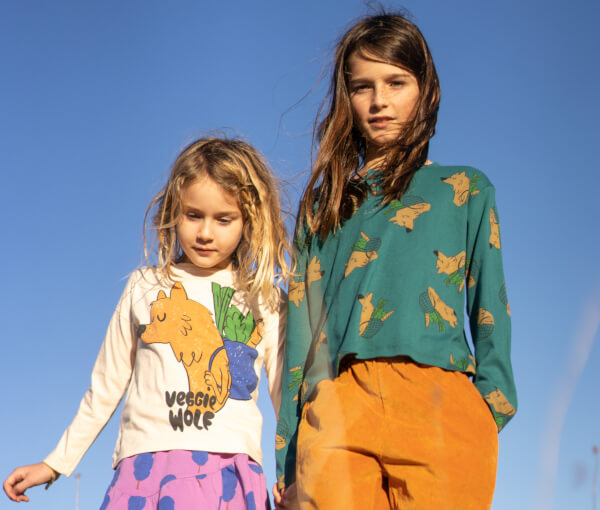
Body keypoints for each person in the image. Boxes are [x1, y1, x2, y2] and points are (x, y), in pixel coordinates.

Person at [274, 12, 517, 510]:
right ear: (346, 98)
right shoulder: (324, 206)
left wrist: (489, 407)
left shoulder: (465, 189)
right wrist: (289, 452)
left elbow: (490, 307)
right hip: (339, 405)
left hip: (441, 401)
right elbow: (302, 330)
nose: (379, 100)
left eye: (396, 82)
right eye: (362, 86)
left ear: (428, 91)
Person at [4, 137, 290, 510]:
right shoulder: (144, 286)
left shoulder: (264, 297)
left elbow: (285, 395)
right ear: (173, 211)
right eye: (193, 215)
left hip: (227, 472)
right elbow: (105, 386)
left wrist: (294, 471)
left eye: (223, 219)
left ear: (248, 220)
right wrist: (55, 463)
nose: (205, 233)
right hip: (143, 471)